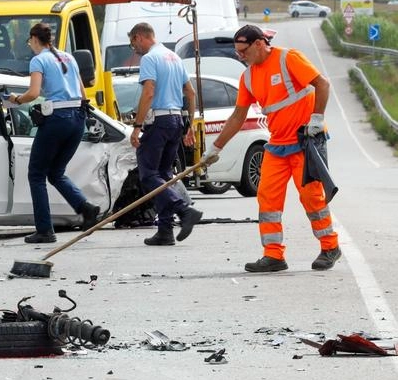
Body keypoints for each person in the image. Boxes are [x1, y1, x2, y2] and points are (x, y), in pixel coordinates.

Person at [202, 24, 340, 272]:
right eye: (237, 52)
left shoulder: (288, 59)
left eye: (243, 51)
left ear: (259, 44)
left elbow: (322, 84)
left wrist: (317, 118)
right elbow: (237, 116)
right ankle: (273, 255)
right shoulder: (248, 78)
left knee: (311, 197)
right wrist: (215, 147)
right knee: (267, 201)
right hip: (277, 145)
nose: (240, 56)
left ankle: (330, 247)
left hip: (304, 142)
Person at [6, 22, 100, 244]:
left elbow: (34, 92)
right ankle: (85, 208)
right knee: (56, 171)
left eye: (30, 42)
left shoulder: (39, 60)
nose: (30, 46)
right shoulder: (69, 57)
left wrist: (15, 100)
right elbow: (82, 91)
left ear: (34, 39)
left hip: (57, 119)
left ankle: (45, 230)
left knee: (36, 174)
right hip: (77, 118)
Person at [128, 22, 204, 246]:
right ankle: (165, 230)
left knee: (149, 174)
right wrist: (188, 123)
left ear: (140, 37)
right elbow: (190, 93)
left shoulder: (150, 58)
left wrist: (137, 125)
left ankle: (183, 210)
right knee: (164, 174)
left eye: (133, 43)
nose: (134, 49)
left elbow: (149, 92)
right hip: (175, 121)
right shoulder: (174, 57)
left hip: (159, 121)